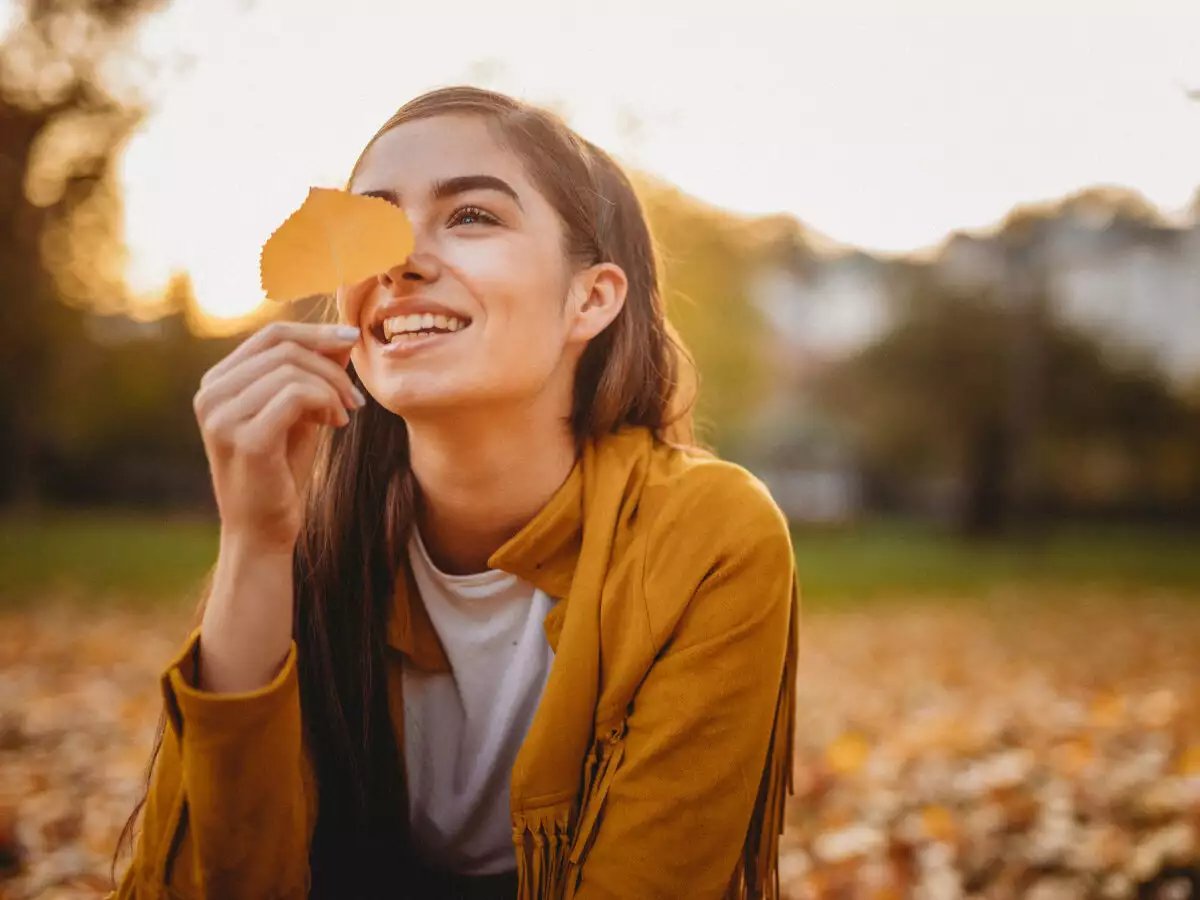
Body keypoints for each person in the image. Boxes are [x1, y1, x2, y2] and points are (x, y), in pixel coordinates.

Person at [110, 86, 799, 900]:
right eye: (372, 225)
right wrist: (254, 546)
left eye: (472, 216)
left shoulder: (708, 535)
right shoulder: (308, 534)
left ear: (592, 299)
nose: (400, 262)